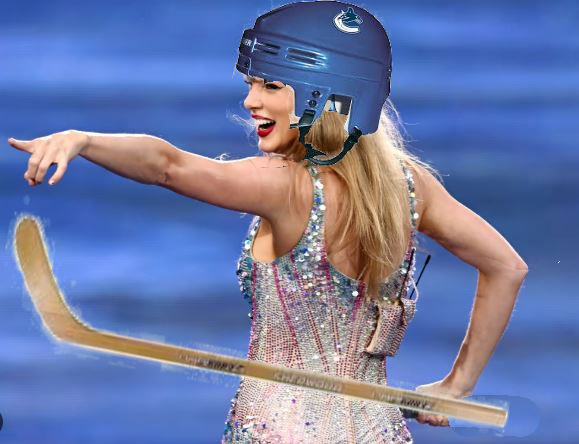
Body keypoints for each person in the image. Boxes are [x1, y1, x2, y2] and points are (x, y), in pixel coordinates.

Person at [8, 1, 528, 442]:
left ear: (327, 94)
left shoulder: (288, 186)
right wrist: (458, 384)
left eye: (271, 85)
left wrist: (84, 140)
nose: (250, 100)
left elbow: (168, 166)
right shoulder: (411, 186)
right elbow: (507, 267)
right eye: (251, 83)